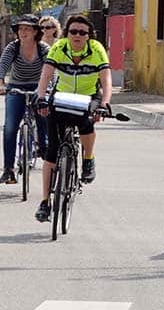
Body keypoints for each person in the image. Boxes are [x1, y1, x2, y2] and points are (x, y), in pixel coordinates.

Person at [33, 14, 112, 222]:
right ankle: (45, 202)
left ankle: (88, 159)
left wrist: (104, 103)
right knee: (51, 152)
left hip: (88, 95)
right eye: (73, 31)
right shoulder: (59, 48)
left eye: (82, 32)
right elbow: (46, 74)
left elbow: (106, 79)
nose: (77, 35)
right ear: (67, 33)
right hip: (62, 95)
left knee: (88, 121)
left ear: (89, 36)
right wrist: (41, 97)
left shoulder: (96, 50)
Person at [0, 14, 50, 185]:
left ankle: (43, 146)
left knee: (43, 114)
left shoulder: (43, 49)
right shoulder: (13, 47)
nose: (22, 32)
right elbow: (3, 66)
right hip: (16, 87)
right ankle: (8, 169)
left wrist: (47, 89)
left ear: (35, 32)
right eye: (20, 29)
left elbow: (50, 70)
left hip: (38, 87)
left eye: (27, 29)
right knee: (10, 126)